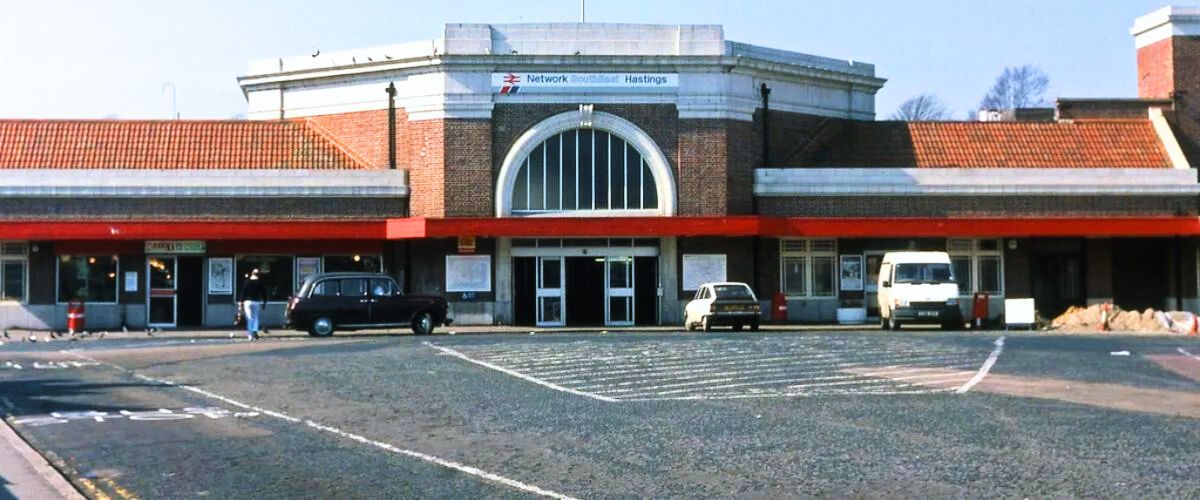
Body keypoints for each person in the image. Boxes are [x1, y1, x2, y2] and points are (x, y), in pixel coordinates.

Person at [238, 269, 267, 340]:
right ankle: (255, 332)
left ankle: (250, 335)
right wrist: (264, 302)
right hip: (256, 301)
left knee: (249, 318)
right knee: (255, 317)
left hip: (247, 302)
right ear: (258, 274)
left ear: (252, 273)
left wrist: (240, 302)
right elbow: (264, 293)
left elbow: (243, 292)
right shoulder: (260, 282)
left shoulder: (247, 282)